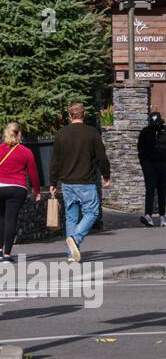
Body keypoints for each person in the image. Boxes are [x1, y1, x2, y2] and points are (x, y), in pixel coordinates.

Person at [49, 103, 110, 263]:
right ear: (84, 115)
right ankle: (75, 239)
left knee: (71, 217)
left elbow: (56, 160)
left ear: (70, 116)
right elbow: (101, 157)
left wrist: (53, 181)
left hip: (67, 182)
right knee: (92, 213)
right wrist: (106, 175)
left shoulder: (61, 134)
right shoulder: (91, 133)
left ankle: (71, 254)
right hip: (86, 181)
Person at [0, 122, 41, 263]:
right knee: (10, 220)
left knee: (0, 218)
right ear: (19, 135)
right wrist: (37, 191)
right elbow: (33, 174)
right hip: (17, 189)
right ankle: (6, 255)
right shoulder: (26, 152)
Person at [136, 111, 166, 227]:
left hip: (163, 165)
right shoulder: (145, 132)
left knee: (162, 191)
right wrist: (143, 164)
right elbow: (140, 149)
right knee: (150, 190)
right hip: (149, 165)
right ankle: (148, 215)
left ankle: (162, 216)